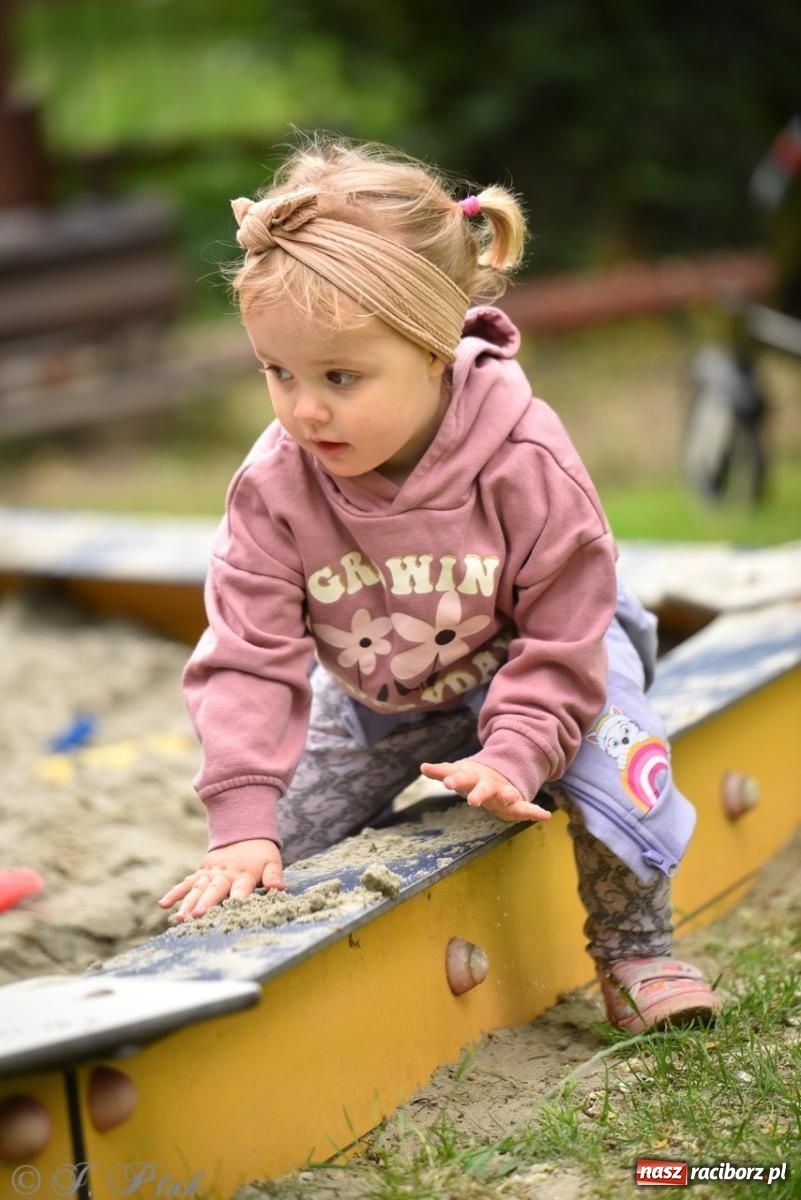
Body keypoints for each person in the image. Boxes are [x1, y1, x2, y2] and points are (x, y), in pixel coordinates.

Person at [158, 136, 720, 1032]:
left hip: (548, 670)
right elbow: (247, 656)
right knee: (274, 847)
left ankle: (635, 952)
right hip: (383, 693)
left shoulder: (522, 458)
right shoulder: (275, 485)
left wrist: (518, 749)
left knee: (620, 764)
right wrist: (242, 820)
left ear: (432, 347)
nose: (305, 408)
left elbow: (568, 629)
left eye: (340, 377)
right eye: (278, 372)